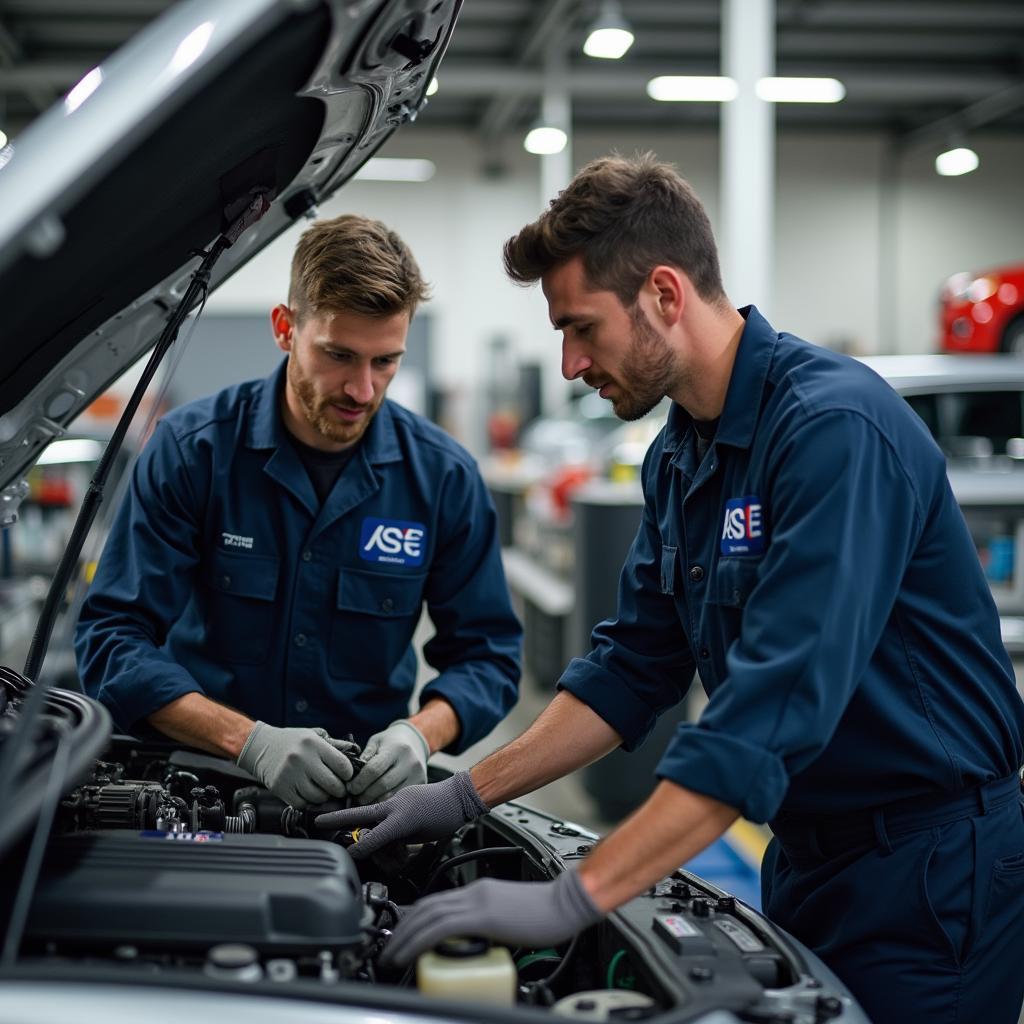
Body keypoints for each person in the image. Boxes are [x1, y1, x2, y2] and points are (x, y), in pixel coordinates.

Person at [319, 156, 1024, 1024]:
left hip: (928, 870)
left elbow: (770, 708)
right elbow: (630, 671)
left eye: (581, 328)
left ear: (662, 293)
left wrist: (575, 897)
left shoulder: (831, 431)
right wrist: (465, 794)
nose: (570, 363)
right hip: (806, 858)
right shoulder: (681, 455)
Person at [75, 214, 522, 810]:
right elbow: (111, 639)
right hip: (197, 784)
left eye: (385, 361)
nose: (362, 389)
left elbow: (487, 655)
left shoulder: (443, 479)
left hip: (360, 802)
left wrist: (423, 732)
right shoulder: (193, 452)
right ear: (285, 329)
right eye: (339, 355)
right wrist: (247, 741)